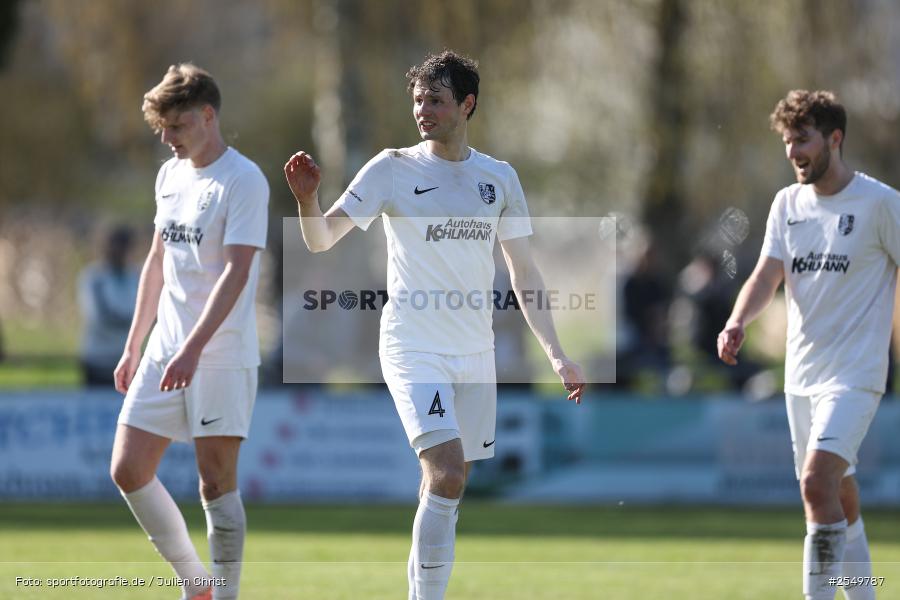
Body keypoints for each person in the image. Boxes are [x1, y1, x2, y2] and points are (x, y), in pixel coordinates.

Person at [284, 50, 585, 600]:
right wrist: (308, 200)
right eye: (418, 100)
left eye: (436, 100)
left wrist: (557, 352)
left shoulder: (499, 179)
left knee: (452, 483)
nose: (423, 110)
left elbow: (524, 272)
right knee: (445, 470)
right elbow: (320, 239)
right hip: (412, 345)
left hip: (474, 351)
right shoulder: (392, 168)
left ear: (467, 104)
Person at [718, 90, 899, 600]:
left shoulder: (881, 204)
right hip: (802, 375)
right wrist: (736, 321)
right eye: (786, 140)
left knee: (816, 484)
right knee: (837, 493)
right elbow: (765, 275)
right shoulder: (786, 204)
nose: (792, 151)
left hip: (856, 376)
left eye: (802, 139)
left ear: (834, 139)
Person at [110, 63, 269, 600]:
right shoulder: (169, 175)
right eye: (161, 127)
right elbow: (157, 261)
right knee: (128, 469)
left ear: (207, 116)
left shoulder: (243, 180)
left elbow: (238, 270)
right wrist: (136, 344)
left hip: (219, 355)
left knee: (215, 484)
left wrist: (193, 350)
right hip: (164, 349)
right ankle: (196, 583)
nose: (166, 138)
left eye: (175, 126)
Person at [77, 225, 140, 387]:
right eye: (116, 245)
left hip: (128, 360)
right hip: (98, 360)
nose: (119, 251)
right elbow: (99, 317)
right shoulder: (94, 277)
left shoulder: (137, 276)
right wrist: (136, 321)